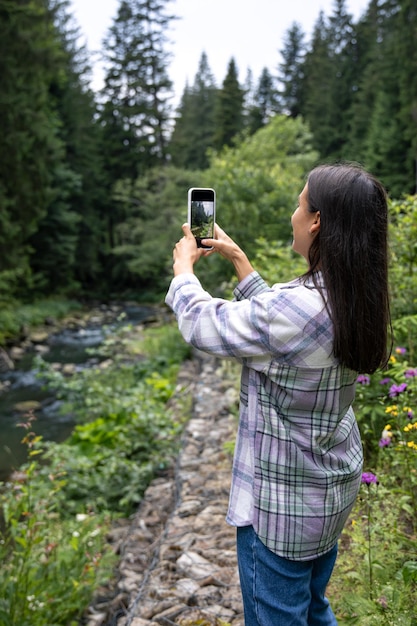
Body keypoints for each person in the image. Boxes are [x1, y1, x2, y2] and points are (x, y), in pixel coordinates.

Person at [165, 163, 390, 625]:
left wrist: (184, 269)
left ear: (317, 222)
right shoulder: (356, 295)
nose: (293, 213)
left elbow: (203, 323)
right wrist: (241, 264)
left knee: (278, 616)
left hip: (282, 506)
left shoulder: (297, 309)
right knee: (312, 605)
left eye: (299, 203)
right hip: (329, 490)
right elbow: (288, 333)